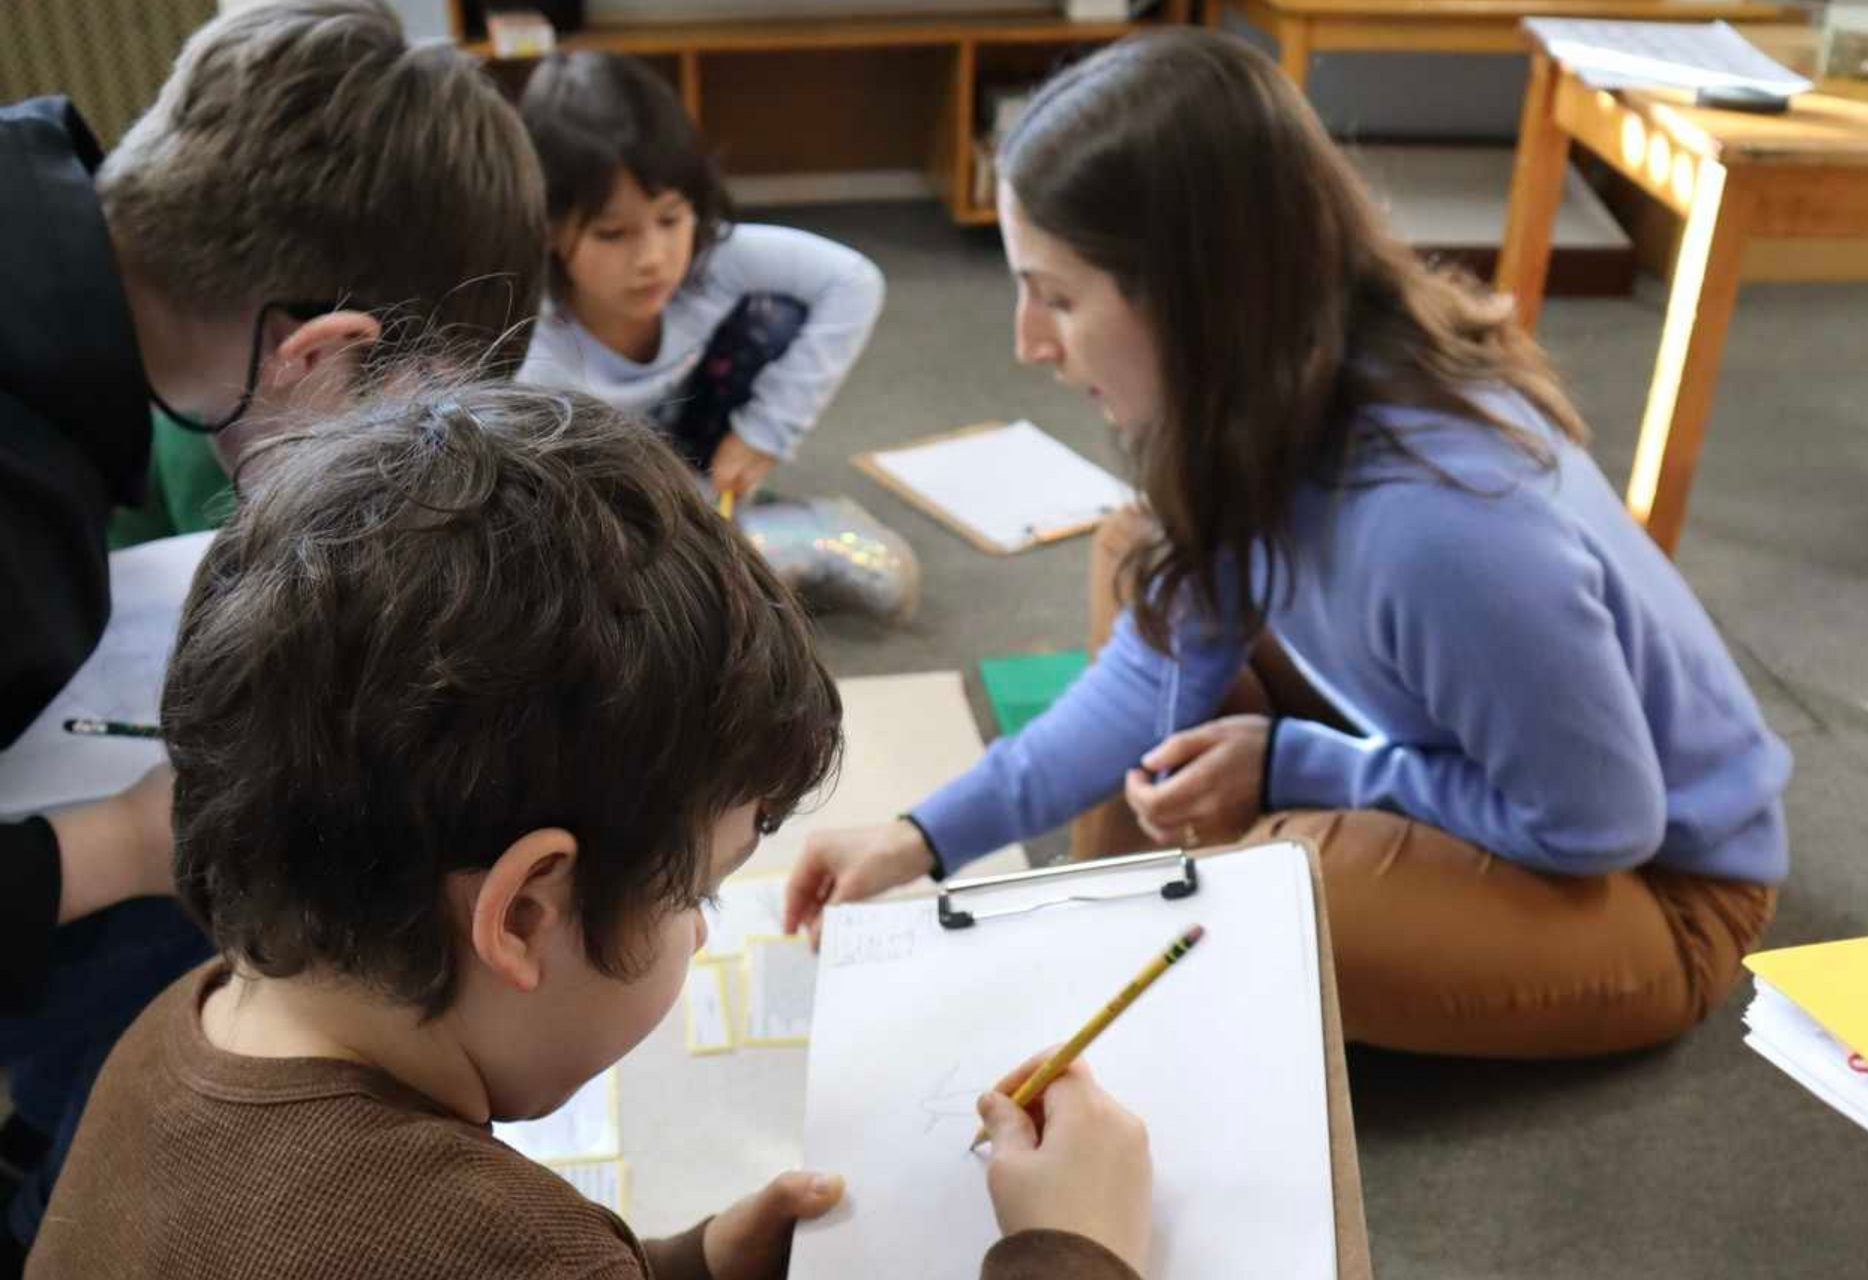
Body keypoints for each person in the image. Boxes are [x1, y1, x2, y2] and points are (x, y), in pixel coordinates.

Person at [784, 29, 1792, 1061]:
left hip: (1658, 888)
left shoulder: (1436, 526)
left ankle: (1175, 909)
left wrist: (1298, 767)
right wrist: (922, 835)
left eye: (1058, 295)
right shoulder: (1267, 402)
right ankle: (1121, 908)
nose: (1028, 341)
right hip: (1487, 758)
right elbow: (1149, 674)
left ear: (1192, 298)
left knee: (1264, 899)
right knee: (1147, 556)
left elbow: (1601, 824)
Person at [27, 382, 1154, 1280]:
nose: (704, 934)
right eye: (699, 894)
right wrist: (1073, 1249)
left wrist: (691, 1263)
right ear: (525, 910)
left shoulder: (178, 1031)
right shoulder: (499, 1247)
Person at [0, 1, 546, 1262]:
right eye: (390, 435)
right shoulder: (20, 517)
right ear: (315, 352)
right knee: (202, 925)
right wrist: (120, 842)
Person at [514, 50, 885, 503]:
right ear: (549, 227)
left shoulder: (710, 259)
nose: (653, 258)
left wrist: (764, 434)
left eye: (670, 220)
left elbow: (854, 281)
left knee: (776, 315)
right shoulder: (533, 359)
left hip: (702, 474)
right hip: (601, 503)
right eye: (612, 234)